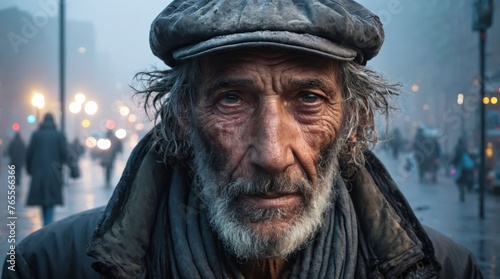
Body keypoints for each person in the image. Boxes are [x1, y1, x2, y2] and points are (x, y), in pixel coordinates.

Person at [2, 1, 483, 278]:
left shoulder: (447, 269)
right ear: (184, 116)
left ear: (352, 119)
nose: (272, 154)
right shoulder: (46, 265)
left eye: (309, 99)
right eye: (232, 98)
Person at [24, 113, 68, 226]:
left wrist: (29, 169)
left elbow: (29, 154)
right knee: (51, 201)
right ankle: (48, 224)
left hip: (38, 172)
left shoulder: (36, 135)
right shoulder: (58, 135)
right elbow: (65, 153)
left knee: (42, 200)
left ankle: (46, 223)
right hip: (54, 173)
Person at [452, 137, 475, 202]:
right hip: (465, 168)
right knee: (463, 180)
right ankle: (463, 192)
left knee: (458, 180)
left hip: (459, 167)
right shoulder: (465, 148)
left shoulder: (456, 148)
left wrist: (452, 163)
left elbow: (454, 157)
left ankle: (461, 192)